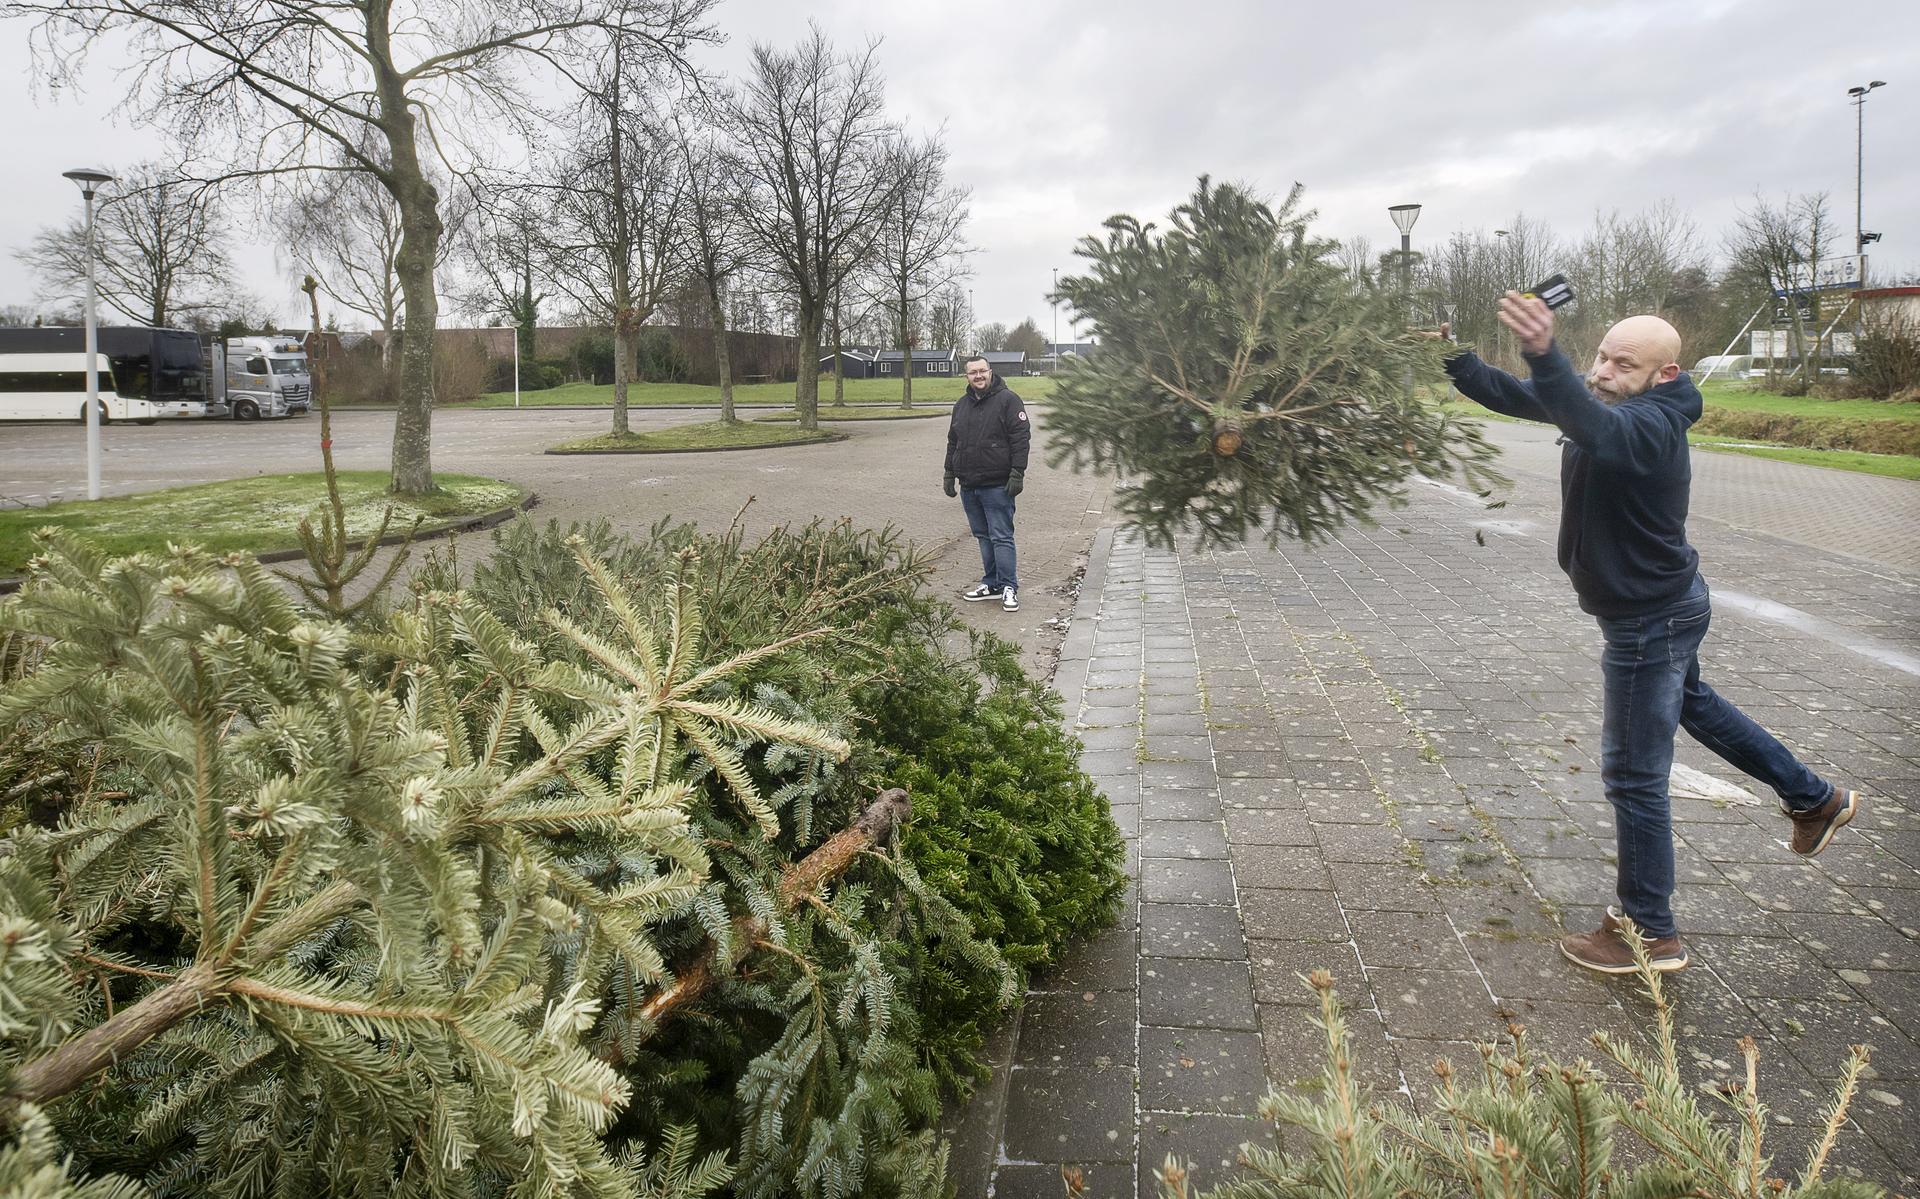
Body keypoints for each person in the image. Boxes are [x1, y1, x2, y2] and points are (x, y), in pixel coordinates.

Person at [1439, 294, 1862, 975]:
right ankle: (1816, 798)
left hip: (1649, 621)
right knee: (1696, 705)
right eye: (1600, 356)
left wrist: (1548, 352)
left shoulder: (1651, 425)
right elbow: (1526, 397)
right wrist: (1454, 358)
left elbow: (1593, 427)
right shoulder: (1609, 404)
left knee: (1634, 775)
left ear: (1665, 373)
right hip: (1661, 608)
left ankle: (1648, 931)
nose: (1603, 371)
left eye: (1622, 363)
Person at [944, 354, 1030, 613]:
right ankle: (991, 583)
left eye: (982, 371)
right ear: (966, 376)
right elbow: (953, 441)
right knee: (983, 536)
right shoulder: (961, 405)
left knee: (1001, 536)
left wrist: (1018, 472)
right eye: (973, 373)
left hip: (997, 485)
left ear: (990, 372)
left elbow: (1021, 438)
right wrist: (949, 473)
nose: (978, 376)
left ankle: (1008, 586)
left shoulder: (1008, 400)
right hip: (969, 485)